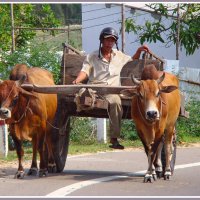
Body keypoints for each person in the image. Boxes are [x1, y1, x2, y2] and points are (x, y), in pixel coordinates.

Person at [73, 27, 150, 149]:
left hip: (112, 91)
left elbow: (132, 59)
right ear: (101, 40)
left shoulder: (119, 55)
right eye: (107, 40)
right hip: (95, 89)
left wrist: (139, 51)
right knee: (82, 96)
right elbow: (85, 71)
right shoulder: (92, 56)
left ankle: (114, 138)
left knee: (115, 101)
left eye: (112, 41)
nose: (109, 43)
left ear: (115, 42)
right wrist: (77, 81)